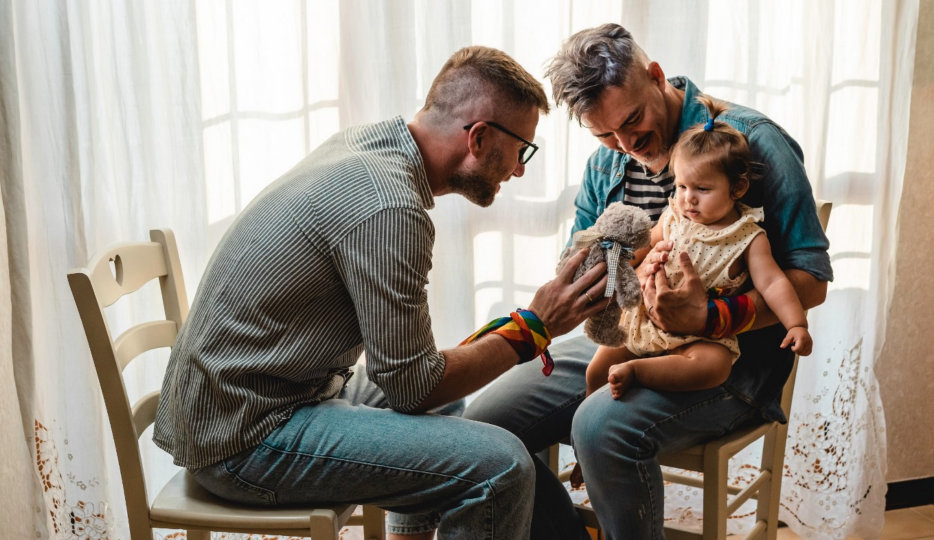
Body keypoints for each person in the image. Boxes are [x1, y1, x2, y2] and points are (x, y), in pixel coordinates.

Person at [153, 46, 609, 540]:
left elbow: (414, 385)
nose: (519, 169)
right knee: (501, 468)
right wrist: (533, 329)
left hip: (232, 405)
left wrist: (524, 330)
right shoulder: (391, 209)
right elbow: (412, 386)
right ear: (478, 138)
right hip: (244, 438)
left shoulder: (366, 147)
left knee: (447, 409)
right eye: (522, 149)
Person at [464, 24, 833, 540]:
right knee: (481, 429)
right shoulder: (606, 162)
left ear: (656, 77)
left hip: (727, 360)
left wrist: (711, 315)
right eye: (604, 134)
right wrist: (623, 274)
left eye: (633, 120)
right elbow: (583, 268)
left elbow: (810, 281)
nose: (626, 145)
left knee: (598, 426)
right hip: (631, 337)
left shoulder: (754, 143)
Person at [585, 95, 814, 401]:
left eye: (702, 189)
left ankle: (639, 371)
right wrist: (630, 271)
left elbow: (773, 283)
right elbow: (642, 246)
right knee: (595, 370)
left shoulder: (747, 237)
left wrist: (796, 323)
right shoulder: (673, 217)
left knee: (714, 367)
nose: (688, 199)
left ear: (737, 188)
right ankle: (589, 409)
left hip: (701, 334)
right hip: (643, 317)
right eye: (681, 187)